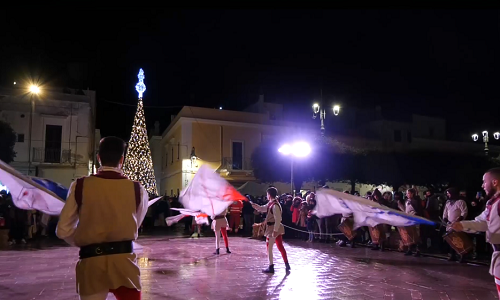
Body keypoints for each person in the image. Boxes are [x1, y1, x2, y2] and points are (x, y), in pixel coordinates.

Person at [56, 136, 149, 300]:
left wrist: (84, 239)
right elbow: (136, 222)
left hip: (91, 262)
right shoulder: (137, 189)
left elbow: (63, 230)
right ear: (122, 159)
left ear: (99, 158)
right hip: (124, 262)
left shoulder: (80, 185)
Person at [452, 168, 500, 297]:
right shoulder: (493, 202)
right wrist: (461, 225)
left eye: (484, 181)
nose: (482, 185)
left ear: (495, 182)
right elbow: (483, 222)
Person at [251, 187, 291, 273]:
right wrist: (256, 206)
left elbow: (278, 219)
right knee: (280, 246)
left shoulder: (274, 205)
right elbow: (263, 208)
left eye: (267, 194)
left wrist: (275, 230)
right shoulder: (272, 203)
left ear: (269, 195)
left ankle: (271, 266)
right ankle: (286, 264)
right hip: (274, 228)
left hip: (273, 228)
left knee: (269, 248)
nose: (266, 195)